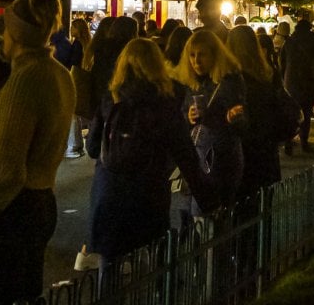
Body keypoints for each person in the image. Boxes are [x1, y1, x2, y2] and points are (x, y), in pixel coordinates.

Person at [0, 0, 75, 305]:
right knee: (26, 290)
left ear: (15, 35)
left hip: (10, 212)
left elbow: (6, 165)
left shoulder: (25, 81)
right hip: (40, 200)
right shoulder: (59, 74)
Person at [86, 38, 213, 272]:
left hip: (109, 193)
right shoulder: (164, 104)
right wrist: (206, 197)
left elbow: (93, 148)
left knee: (109, 265)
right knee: (154, 263)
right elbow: (185, 154)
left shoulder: (111, 99)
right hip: (148, 193)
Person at [176, 29, 247, 213]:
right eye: (192, 55)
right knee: (191, 214)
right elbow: (184, 113)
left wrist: (231, 117)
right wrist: (188, 116)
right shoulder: (193, 82)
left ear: (214, 55)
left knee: (210, 214)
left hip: (221, 157)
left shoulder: (229, 81)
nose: (196, 61)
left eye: (202, 55)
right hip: (197, 155)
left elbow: (244, 124)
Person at [226, 26, 286, 199]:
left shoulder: (232, 76)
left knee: (242, 203)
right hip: (266, 146)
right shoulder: (268, 72)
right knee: (264, 200)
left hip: (243, 146)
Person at [279, 17, 314, 154]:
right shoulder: (312, 39)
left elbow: (281, 62)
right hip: (308, 81)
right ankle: (304, 142)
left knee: (291, 113)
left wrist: (284, 78)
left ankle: (288, 143)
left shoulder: (289, 41)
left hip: (291, 82)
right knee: (306, 112)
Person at [63, 16, 92, 159]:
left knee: (73, 113)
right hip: (85, 79)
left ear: (78, 29)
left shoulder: (76, 44)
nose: (70, 29)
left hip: (75, 78)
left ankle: (73, 145)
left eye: (73, 27)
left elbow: (73, 62)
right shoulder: (88, 43)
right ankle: (78, 145)